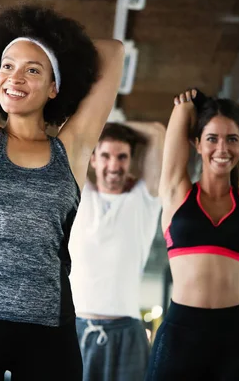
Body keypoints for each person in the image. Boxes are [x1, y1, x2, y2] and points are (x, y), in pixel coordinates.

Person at [0, 4, 125, 381]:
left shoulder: (72, 149)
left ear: (55, 87)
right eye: (7, 65)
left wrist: (58, 44)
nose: (14, 77)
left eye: (32, 70)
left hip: (48, 326)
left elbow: (113, 52)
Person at [145, 89, 239, 380]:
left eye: (232, 139)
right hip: (179, 337)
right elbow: (183, 110)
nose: (222, 149)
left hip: (233, 337)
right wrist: (202, 106)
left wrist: (221, 106)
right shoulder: (176, 193)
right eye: (212, 138)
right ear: (197, 143)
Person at [69, 121, 165, 381]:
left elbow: (156, 131)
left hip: (128, 331)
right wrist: (101, 125)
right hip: (77, 329)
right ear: (93, 160)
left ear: (131, 160)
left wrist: (109, 123)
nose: (114, 165)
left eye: (122, 157)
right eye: (106, 156)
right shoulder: (78, 196)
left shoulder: (144, 199)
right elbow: (70, 134)